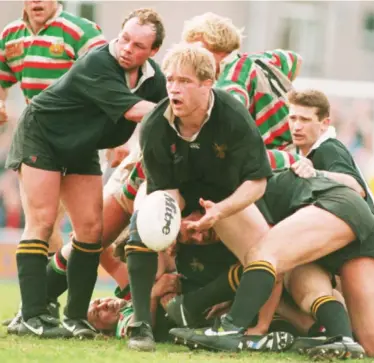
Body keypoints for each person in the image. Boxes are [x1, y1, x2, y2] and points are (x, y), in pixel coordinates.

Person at [5, 7, 167, 339]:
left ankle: (74, 317)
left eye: (138, 46)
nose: (126, 49)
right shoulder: (98, 61)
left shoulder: (155, 79)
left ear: (153, 52)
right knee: (43, 221)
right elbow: (138, 111)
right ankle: (32, 315)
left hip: (81, 147)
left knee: (91, 230)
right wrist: (183, 108)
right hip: (43, 135)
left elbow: (159, 124)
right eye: (124, 39)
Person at [170, 165, 374, 358]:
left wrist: (259, 328)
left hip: (336, 205)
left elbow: (269, 260)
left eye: (191, 229)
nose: (198, 236)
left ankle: (228, 329)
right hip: (358, 226)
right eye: (191, 241)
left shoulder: (223, 202)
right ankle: (341, 337)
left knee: (263, 254)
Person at [124, 42, 273, 351]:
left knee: (268, 253)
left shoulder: (232, 114)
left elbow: (257, 183)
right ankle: (141, 324)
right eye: (170, 80)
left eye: (185, 81)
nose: (174, 89)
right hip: (176, 193)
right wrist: (171, 222)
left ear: (208, 84)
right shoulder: (155, 124)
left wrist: (221, 211)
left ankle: (252, 329)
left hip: (224, 199)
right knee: (144, 220)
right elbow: (161, 190)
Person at [283, 89, 374, 358]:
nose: (296, 125)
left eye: (305, 119)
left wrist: (315, 173)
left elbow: (356, 187)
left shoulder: (328, 149)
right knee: (371, 332)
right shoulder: (301, 152)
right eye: (292, 117)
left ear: (324, 123)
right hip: (355, 246)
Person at [0, 0, 106, 265]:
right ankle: (38, 300)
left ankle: (57, 291)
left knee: (89, 230)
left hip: (77, 139)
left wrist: (115, 137)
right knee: (42, 223)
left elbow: (108, 80)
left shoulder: (81, 31)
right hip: (36, 138)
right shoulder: (10, 36)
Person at [182, 12, 302, 158]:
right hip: (297, 149)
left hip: (273, 159)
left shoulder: (231, 79)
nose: (192, 57)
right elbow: (295, 59)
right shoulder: (261, 60)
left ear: (216, 46)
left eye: (197, 50)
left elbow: (230, 115)